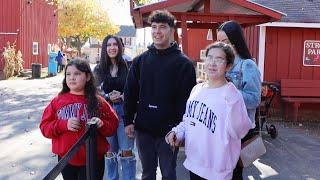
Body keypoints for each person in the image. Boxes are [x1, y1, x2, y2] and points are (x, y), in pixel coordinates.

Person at [124, 10, 197, 180]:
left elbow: (187, 102)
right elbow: (130, 92)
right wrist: (128, 120)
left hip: (169, 131)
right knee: (147, 174)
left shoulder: (184, 64)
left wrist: (181, 131)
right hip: (144, 130)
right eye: (154, 27)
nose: (157, 31)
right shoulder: (140, 61)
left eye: (162, 27)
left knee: (169, 174)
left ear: (172, 31)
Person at [166, 41, 252, 180]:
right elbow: (188, 121)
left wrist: (232, 100)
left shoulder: (232, 95)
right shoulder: (196, 89)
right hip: (194, 164)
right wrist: (177, 132)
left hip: (218, 171)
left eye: (219, 59)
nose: (212, 63)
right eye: (209, 57)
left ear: (228, 66)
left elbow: (240, 131)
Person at [40, 58, 119, 180]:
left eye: (77, 74)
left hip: (93, 160)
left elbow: (113, 124)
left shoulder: (99, 101)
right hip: (66, 160)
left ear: (87, 77)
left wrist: (101, 124)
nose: (72, 77)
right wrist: (63, 125)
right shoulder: (57, 101)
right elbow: (45, 127)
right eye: (68, 74)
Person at [217, 20, 262, 179]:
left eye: (226, 42)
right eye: (219, 42)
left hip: (239, 129)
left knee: (234, 173)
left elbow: (254, 100)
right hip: (222, 127)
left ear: (236, 40)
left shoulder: (247, 65)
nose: (222, 46)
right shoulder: (221, 64)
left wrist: (228, 90)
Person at [93, 35, 136, 180]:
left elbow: (136, 88)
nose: (112, 47)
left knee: (126, 152)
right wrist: (107, 97)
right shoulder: (99, 68)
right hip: (107, 113)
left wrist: (124, 96)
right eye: (109, 45)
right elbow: (93, 91)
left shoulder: (128, 65)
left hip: (125, 112)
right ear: (105, 48)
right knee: (109, 153)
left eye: (115, 44)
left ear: (120, 46)